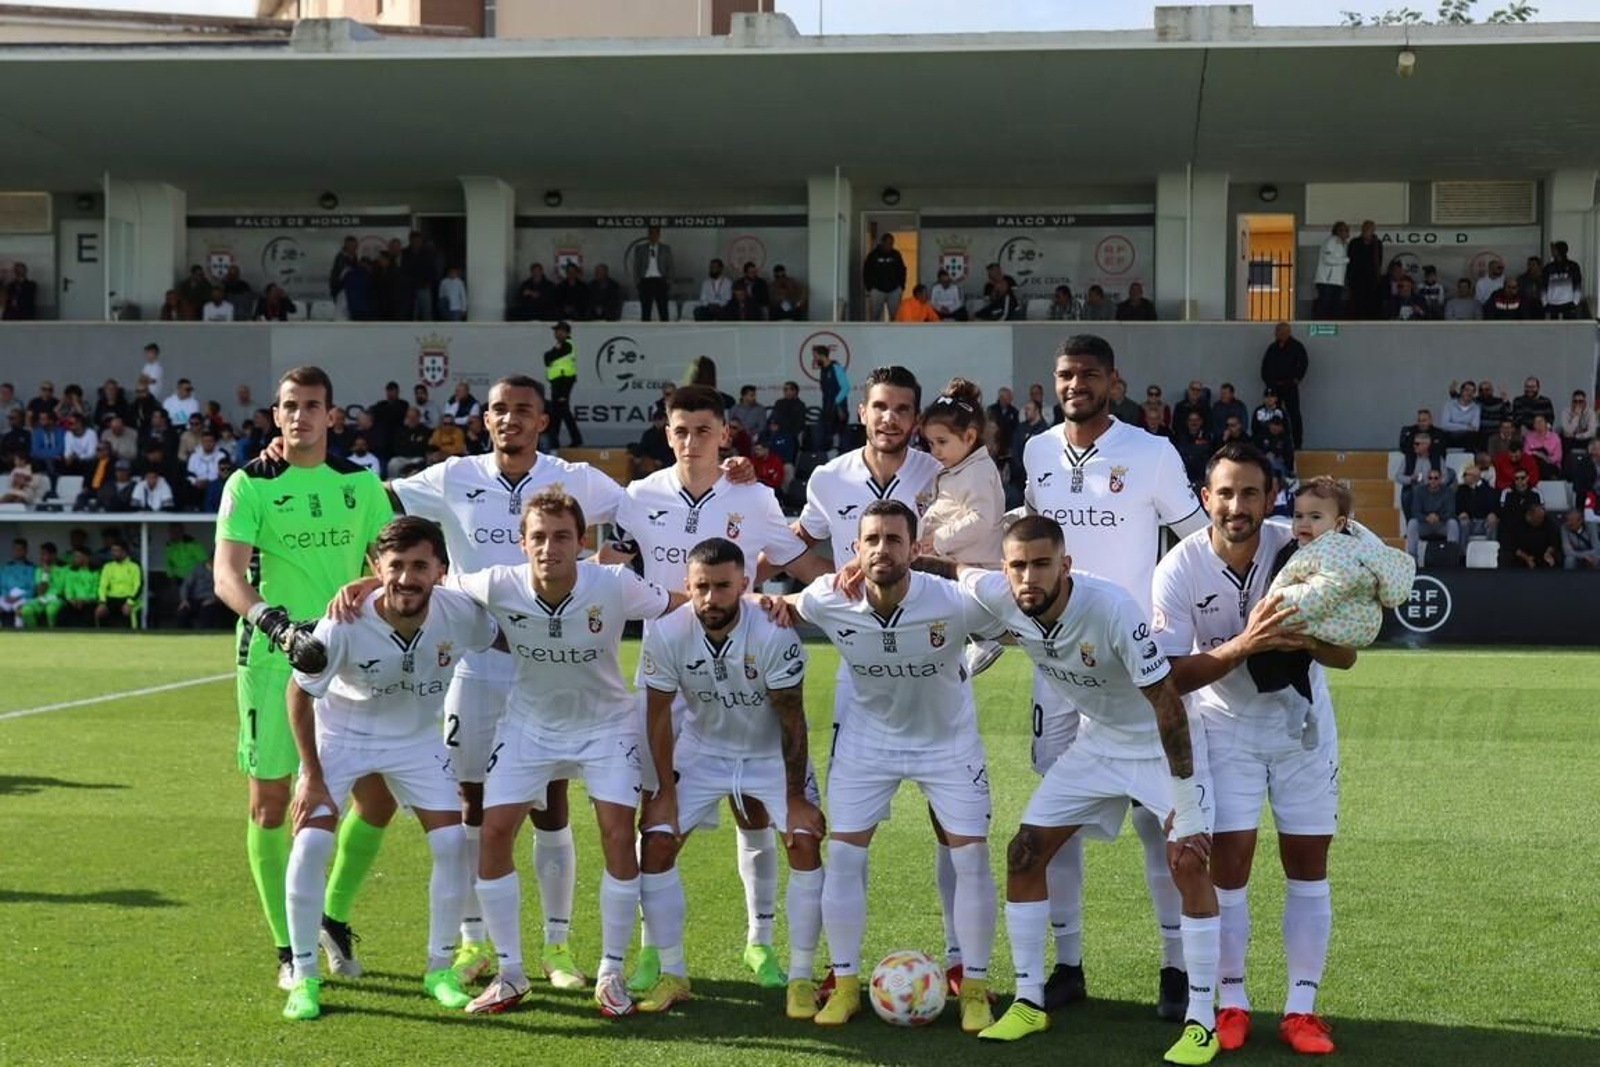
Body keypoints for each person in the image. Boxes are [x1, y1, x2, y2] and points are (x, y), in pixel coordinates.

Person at [912, 519, 1218, 1063]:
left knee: (1189, 861)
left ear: (1065, 566)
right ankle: (1030, 1001)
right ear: (1005, 569)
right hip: (1096, 743)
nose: (1029, 577)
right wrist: (870, 568)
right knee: (1023, 853)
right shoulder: (1001, 594)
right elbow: (955, 571)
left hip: (1155, 742)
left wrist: (1188, 804)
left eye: (1041, 564)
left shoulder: (1111, 607)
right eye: (1017, 566)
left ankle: (1202, 1020)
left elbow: (1167, 703)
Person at [388, 374, 626, 990]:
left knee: (549, 804)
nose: (509, 419)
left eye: (523, 410)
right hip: (474, 664)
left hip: (547, 665)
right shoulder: (451, 476)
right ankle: (474, 943)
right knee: (473, 802)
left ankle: (557, 946)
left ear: (542, 421)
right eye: (499, 410)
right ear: (484, 419)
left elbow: (643, 508)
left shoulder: (573, 478)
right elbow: (374, 499)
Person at [601, 384, 825, 993]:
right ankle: (655, 953)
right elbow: (606, 563)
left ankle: (760, 942)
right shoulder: (639, 495)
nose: (692, 440)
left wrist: (837, 594)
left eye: (704, 429)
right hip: (667, 672)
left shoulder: (753, 495)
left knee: (754, 813)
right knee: (660, 815)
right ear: (666, 432)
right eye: (681, 429)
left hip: (747, 665)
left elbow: (800, 567)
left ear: (724, 433)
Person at [1021, 334, 1209, 1019]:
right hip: (1055, 665)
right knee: (1055, 815)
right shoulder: (1038, 451)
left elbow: (1194, 541)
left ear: (1114, 382)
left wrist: (1169, 622)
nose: (1076, 384)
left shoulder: (1153, 453)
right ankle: (1067, 963)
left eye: (1089, 374)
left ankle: (1175, 969)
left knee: (1156, 820)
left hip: (1132, 662)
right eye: (1066, 373)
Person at [1153, 442, 1356, 1057]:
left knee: (1307, 867)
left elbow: (1346, 655)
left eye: (1250, 493)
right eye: (1225, 493)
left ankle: (1300, 1009)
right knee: (1230, 868)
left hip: (1301, 728)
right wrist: (1245, 645)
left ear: (1272, 500)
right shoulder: (1179, 568)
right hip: (1224, 730)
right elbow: (1167, 677)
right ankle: (1232, 1002)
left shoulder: (1303, 547)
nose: (1236, 506)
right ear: (1204, 498)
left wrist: (1307, 638)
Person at [451, 491, 685, 1016]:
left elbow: (681, 601)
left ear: (581, 542)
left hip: (606, 726)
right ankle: (511, 973)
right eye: (538, 536)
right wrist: (368, 584)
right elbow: (434, 588)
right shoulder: (497, 582)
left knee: (618, 833)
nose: (549, 547)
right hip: (529, 725)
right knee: (492, 830)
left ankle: (610, 972)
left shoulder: (614, 584)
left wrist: (763, 601)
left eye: (561, 536)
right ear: (522, 543)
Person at [775, 500, 999, 1033]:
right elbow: (775, 606)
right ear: (855, 549)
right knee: (846, 857)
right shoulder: (830, 599)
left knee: (971, 860)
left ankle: (973, 987)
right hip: (867, 744)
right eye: (871, 539)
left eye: (894, 539)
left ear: (915, 548)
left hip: (948, 744)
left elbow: (1013, 609)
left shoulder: (951, 601)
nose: (881, 549)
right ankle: (846, 983)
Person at [211, 366, 396, 990]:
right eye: (290, 406)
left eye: (313, 406)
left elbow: (388, 562)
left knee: (376, 798)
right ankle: (289, 949)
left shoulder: (361, 484)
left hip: (351, 657)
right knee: (269, 804)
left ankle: (330, 918)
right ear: (275, 414)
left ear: (331, 416)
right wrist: (275, 622)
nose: (301, 416)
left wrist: (365, 584)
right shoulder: (249, 484)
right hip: (272, 655)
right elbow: (227, 576)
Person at [280, 517, 500, 1021]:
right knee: (311, 842)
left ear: (441, 571)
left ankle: (439, 969)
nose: (406, 578)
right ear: (376, 568)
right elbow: (298, 693)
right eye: (395, 566)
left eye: (419, 566)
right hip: (343, 738)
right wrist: (311, 776)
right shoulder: (345, 620)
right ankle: (305, 975)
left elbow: (508, 632)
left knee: (450, 842)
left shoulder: (461, 613)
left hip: (419, 741)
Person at [636, 537, 824, 1017]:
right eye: (701, 587)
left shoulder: (774, 633)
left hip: (768, 755)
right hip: (702, 753)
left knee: (803, 840)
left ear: (744, 584)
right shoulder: (665, 633)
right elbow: (657, 717)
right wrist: (662, 792)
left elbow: (792, 721)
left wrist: (796, 796)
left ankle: (800, 977)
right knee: (656, 842)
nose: (711, 598)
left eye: (723, 587)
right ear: (687, 586)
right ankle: (673, 973)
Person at [1253, 480, 1413, 716]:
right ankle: (1296, 704)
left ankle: (1300, 707)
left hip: (1335, 622)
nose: (1304, 524)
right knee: (1274, 660)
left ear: (1338, 524)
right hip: (1314, 624)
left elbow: (1331, 589)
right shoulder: (1293, 548)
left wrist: (1275, 610)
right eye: (1298, 516)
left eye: (1315, 517)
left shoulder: (1341, 549)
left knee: (1284, 660)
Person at [543, 321, 582, 449]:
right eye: (556, 331)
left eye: (559, 330)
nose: (556, 333)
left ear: (566, 332)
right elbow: (547, 359)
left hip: (564, 381)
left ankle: (576, 439)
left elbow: (550, 356)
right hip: (557, 381)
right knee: (557, 412)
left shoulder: (567, 345)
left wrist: (563, 393)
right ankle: (555, 441)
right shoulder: (559, 345)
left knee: (563, 411)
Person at [811, 345, 850, 455]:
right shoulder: (823, 369)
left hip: (838, 408)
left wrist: (836, 402)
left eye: (815, 356)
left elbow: (846, 387)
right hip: (827, 408)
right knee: (825, 437)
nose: (814, 359)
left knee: (842, 440)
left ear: (822, 355)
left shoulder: (836, 367)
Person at [94, 539, 141, 628]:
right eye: (112, 550)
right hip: (111, 598)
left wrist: (129, 602)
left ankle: (133, 635)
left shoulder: (135, 566)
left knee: (129, 611)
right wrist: (102, 602)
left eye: (116, 551)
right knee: (99, 611)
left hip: (129, 598)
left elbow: (138, 586)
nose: (113, 553)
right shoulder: (108, 566)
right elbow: (102, 586)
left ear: (124, 552)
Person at [631, 226, 674, 322]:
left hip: (660, 280)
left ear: (659, 235)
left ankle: (665, 332)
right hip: (645, 281)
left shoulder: (665, 248)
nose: (653, 236)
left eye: (655, 233)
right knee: (645, 311)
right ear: (648, 234)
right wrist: (638, 282)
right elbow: (636, 266)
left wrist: (668, 282)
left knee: (663, 310)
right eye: (651, 233)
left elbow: (670, 266)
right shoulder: (640, 249)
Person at [1499, 502, 1560, 569]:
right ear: (1529, 516)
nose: (1541, 520)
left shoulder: (1547, 521)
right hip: (1521, 555)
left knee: (1555, 558)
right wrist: (1526, 558)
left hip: (1542, 554)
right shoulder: (1515, 522)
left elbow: (1554, 541)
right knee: (1507, 556)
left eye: (1542, 518)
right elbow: (1510, 545)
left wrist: (1548, 553)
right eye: (1538, 518)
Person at [861, 234, 906, 321]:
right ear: (882, 242)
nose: (890, 245)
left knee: (895, 316)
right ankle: (875, 334)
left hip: (894, 290)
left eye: (892, 243)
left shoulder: (896, 254)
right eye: (888, 243)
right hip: (877, 290)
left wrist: (902, 286)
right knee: (875, 316)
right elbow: (866, 271)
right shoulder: (873, 255)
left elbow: (902, 270)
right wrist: (869, 287)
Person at [17, 542, 62, 629]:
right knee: (26, 610)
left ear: (53, 555)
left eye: (44, 554)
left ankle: (53, 634)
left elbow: (61, 592)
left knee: (51, 610)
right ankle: (35, 634)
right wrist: (45, 574)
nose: (41, 557)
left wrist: (51, 597)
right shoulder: (39, 570)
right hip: (42, 599)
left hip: (56, 599)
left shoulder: (63, 570)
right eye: (41, 554)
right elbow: (40, 592)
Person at [1345, 220, 1383, 319]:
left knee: (1372, 303)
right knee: (1357, 303)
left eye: (1371, 229)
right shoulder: (1354, 243)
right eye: (1367, 229)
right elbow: (1350, 261)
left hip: (1372, 279)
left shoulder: (1377, 243)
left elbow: (1379, 261)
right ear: (1362, 230)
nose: (1369, 232)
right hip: (1357, 279)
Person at [1455, 465, 1500, 548]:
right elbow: (1458, 506)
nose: (1463, 477)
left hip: (1483, 521)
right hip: (1469, 521)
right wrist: (1461, 512)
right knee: (1463, 523)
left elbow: (1495, 506)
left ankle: (1491, 551)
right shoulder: (1461, 490)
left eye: (1465, 475)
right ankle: (1463, 555)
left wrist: (1493, 513)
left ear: (1474, 477)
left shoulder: (1488, 489)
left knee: (1493, 522)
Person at [1312, 222, 1348, 318]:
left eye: (1347, 230)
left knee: (1333, 307)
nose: (1347, 233)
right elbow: (1327, 259)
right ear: (1338, 231)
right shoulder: (1331, 241)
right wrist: (1346, 260)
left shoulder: (1342, 244)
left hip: (1336, 282)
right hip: (1327, 281)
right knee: (1324, 306)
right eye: (1345, 230)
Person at [1541, 241, 1584, 319]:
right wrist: (1545, 302)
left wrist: (1575, 302)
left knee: (1569, 329)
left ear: (1559, 250)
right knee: (1553, 329)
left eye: (1554, 249)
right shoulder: (1548, 267)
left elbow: (1578, 284)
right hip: (1551, 304)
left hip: (1568, 303)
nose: (1552, 252)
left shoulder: (1573, 266)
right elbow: (1543, 286)